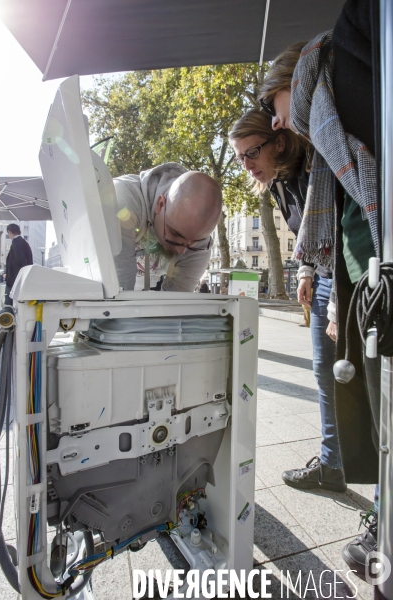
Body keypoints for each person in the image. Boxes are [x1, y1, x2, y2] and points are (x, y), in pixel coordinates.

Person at [259, 0, 380, 578]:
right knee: (360, 389)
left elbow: (365, 196)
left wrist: (343, 290)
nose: (277, 121)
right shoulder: (327, 111)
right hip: (360, 274)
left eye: (274, 111)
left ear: (293, 80)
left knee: (373, 395)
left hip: (369, 271)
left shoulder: (335, 92)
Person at [229, 108, 345, 492]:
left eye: (252, 152)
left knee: (361, 385)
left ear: (279, 142)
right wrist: (307, 273)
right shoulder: (278, 182)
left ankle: (384, 501)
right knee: (324, 376)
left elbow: (343, 232)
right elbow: (309, 235)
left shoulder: (318, 167)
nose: (246, 165)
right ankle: (332, 466)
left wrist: (338, 300)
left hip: (348, 278)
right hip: (323, 275)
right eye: (239, 157)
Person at [113, 163, 222, 293]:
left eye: (194, 242)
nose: (181, 251)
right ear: (160, 204)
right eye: (175, 234)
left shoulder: (201, 247)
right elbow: (117, 290)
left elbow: (175, 303)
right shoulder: (121, 201)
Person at [4, 223, 33, 305]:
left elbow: (19, 261)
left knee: (9, 306)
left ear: (9, 232)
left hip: (14, 281)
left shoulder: (16, 243)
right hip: (20, 280)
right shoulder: (24, 243)